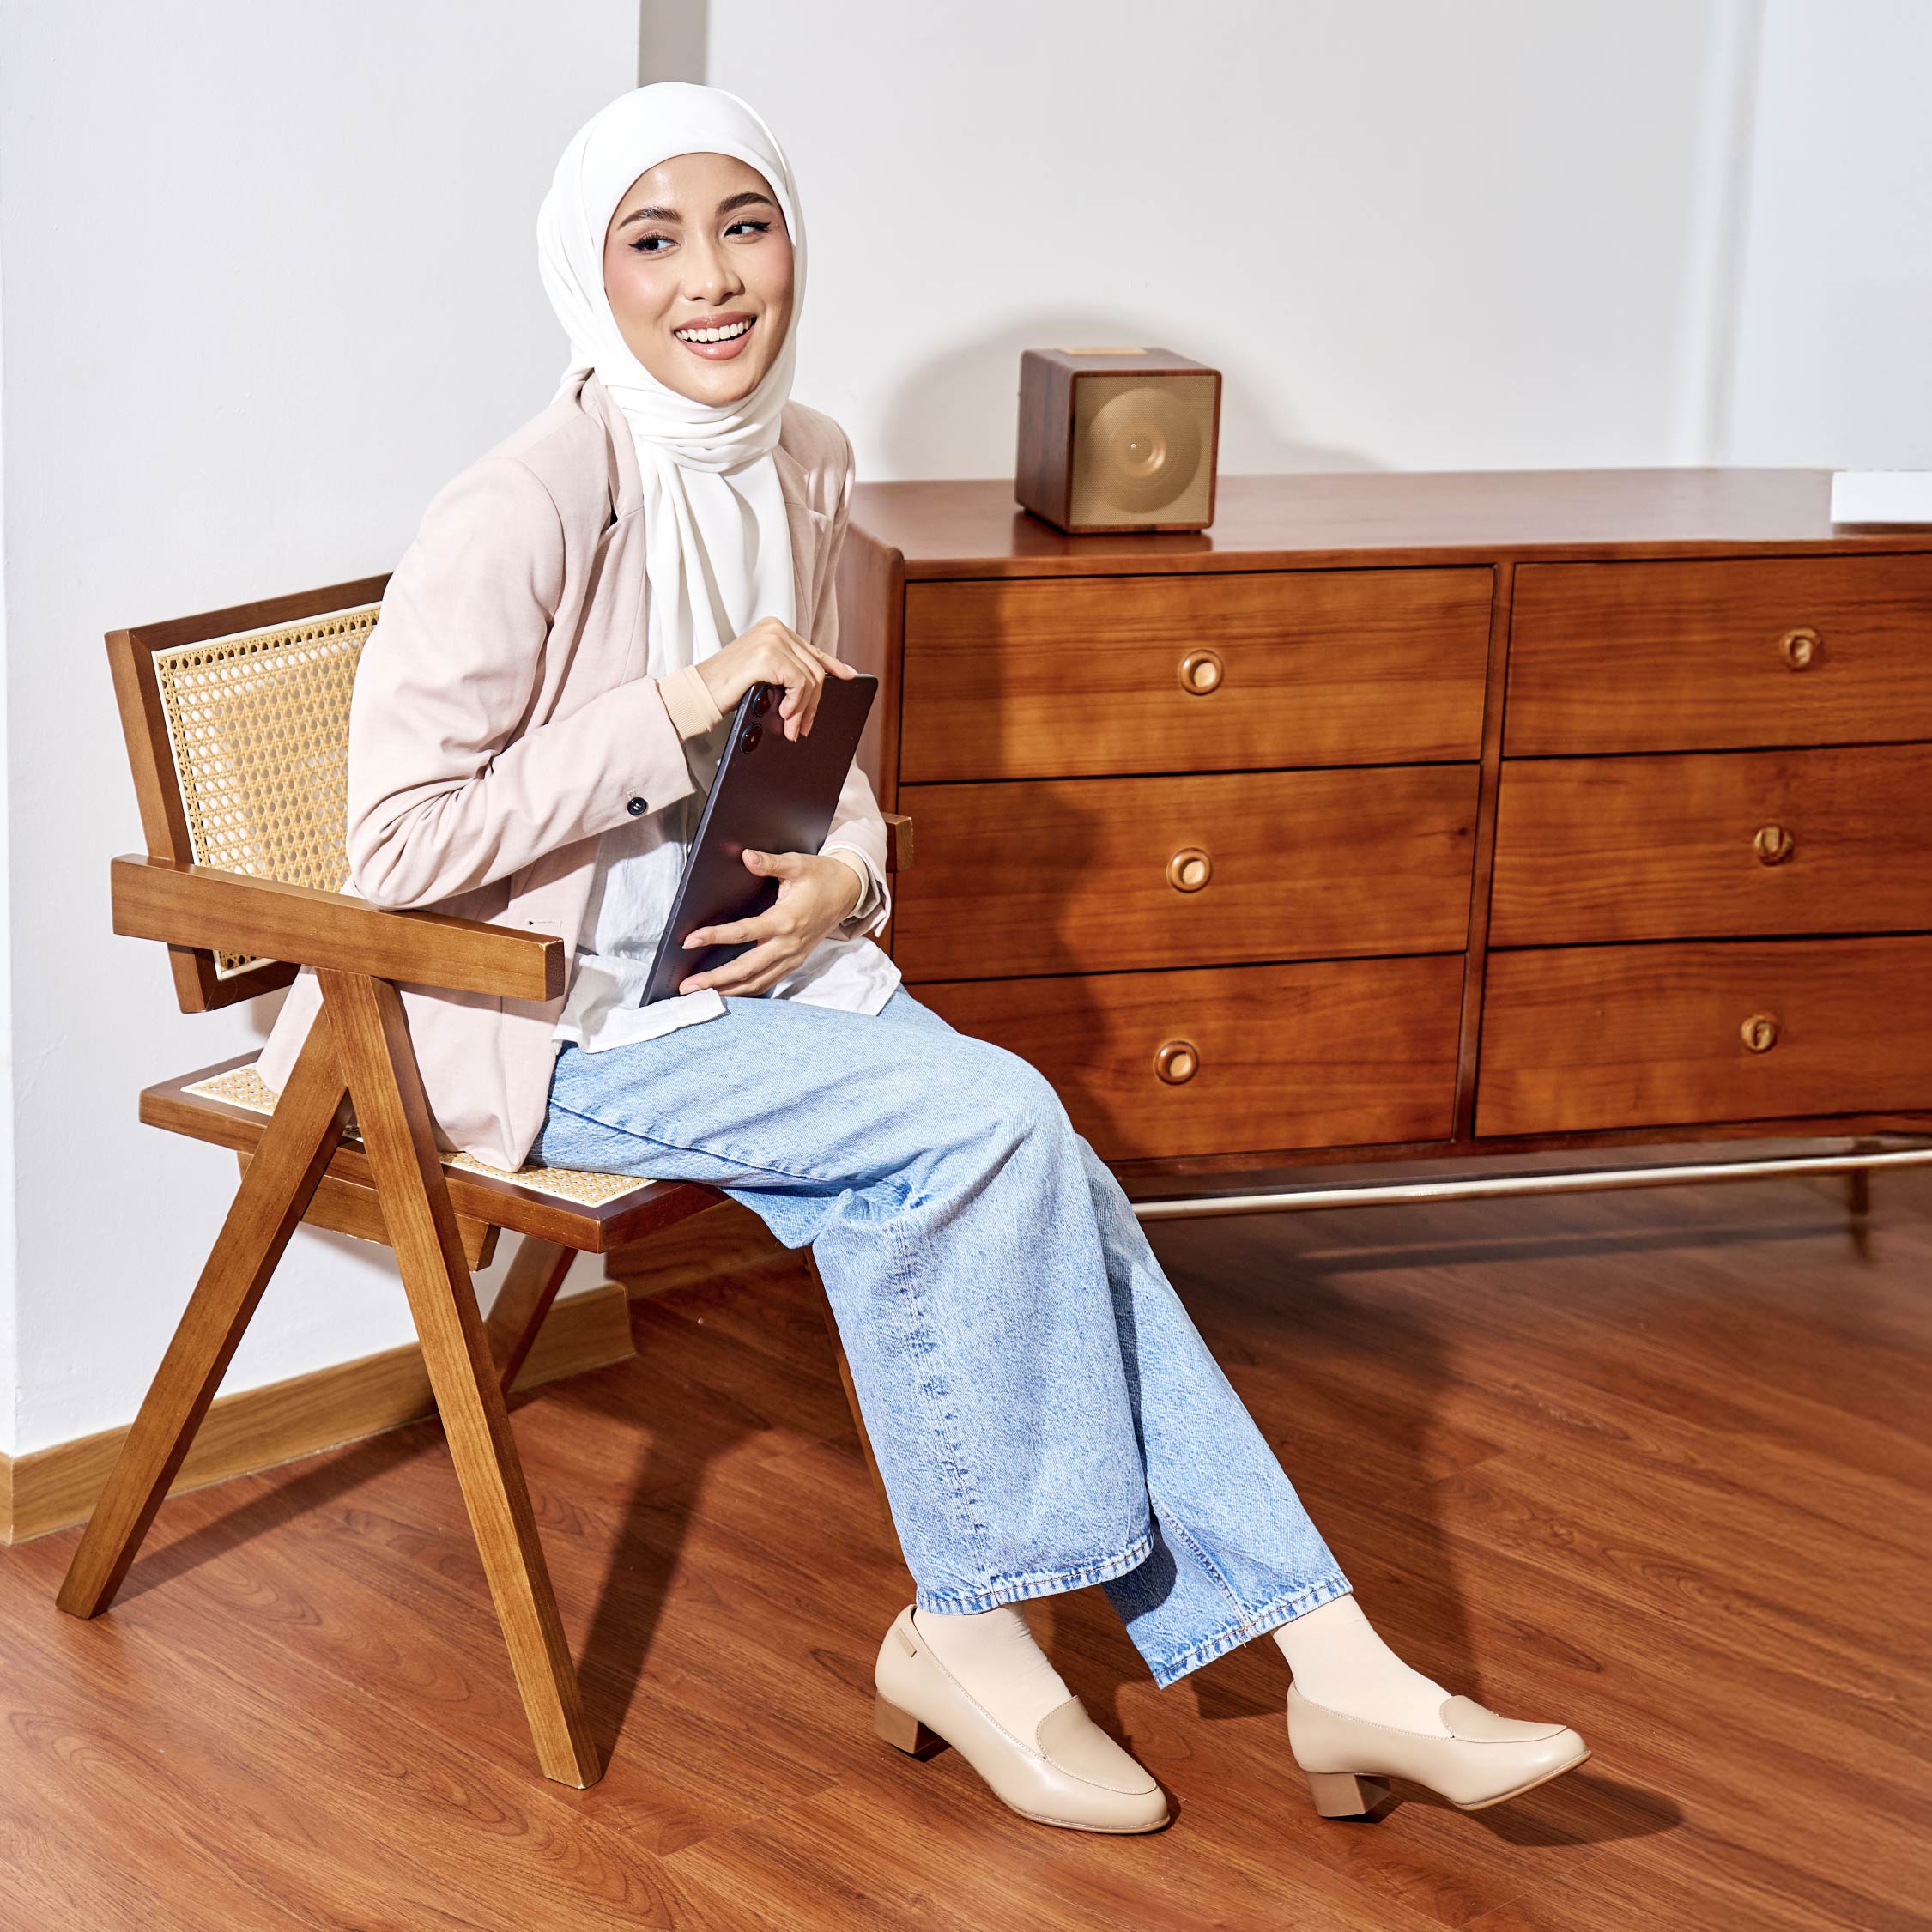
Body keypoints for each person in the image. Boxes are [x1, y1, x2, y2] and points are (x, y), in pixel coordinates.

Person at [255, 81, 1589, 1835]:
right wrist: (674, 704)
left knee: (1022, 1163)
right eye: (654, 241)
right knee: (997, 1125)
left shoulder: (801, 457)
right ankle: (1073, 1637)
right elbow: (397, 852)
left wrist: (845, 883)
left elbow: (831, 750)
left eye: (745, 225)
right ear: (589, 272)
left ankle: (1280, 1661)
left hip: (741, 977)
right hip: (544, 1021)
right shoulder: (518, 506)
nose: (711, 278)